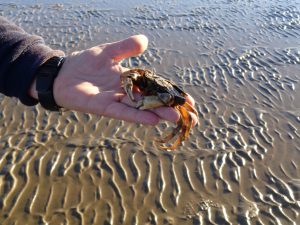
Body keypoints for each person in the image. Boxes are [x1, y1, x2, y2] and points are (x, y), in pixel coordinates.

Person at [0, 16, 198, 126]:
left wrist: (40, 69)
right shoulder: (144, 78)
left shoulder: (172, 96)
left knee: (184, 117)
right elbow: (130, 74)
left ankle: (175, 136)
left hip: (168, 96)